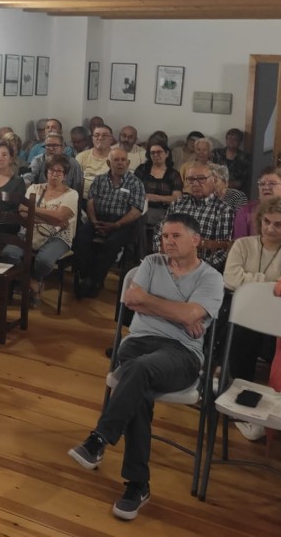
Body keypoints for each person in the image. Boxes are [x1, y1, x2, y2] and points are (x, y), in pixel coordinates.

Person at [67, 213, 223, 521]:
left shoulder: (211, 278)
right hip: (139, 343)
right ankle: (136, 485)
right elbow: (132, 299)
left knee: (137, 374)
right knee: (139, 383)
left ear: (196, 240)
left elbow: (187, 312)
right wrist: (178, 314)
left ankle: (101, 440)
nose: (168, 242)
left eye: (176, 236)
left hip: (183, 353)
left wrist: (150, 303)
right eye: (165, 236)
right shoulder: (151, 263)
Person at [223, 196, 281, 440]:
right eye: (267, 222)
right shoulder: (242, 244)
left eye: (278, 224)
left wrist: (249, 279)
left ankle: (262, 408)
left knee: (270, 344)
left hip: (276, 316)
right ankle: (241, 399)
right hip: (243, 310)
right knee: (239, 334)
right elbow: (229, 279)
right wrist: (268, 283)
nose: (270, 228)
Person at [4, 154, 78, 304]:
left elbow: (60, 217)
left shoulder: (71, 194)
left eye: (59, 171)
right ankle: (33, 283)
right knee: (8, 253)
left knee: (44, 260)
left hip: (58, 235)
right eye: (51, 170)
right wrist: (50, 217)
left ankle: (36, 279)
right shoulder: (34, 188)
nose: (55, 174)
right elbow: (23, 211)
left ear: (64, 175)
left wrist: (34, 210)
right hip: (29, 230)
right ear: (46, 172)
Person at [73, 148, 146, 299]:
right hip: (99, 219)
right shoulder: (99, 180)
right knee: (81, 236)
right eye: (116, 160)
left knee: (112, 243)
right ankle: (87, 277)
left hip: (125, 223)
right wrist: (94, 222)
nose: (120, 163)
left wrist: (116, 225)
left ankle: (97, 280)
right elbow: (91, 202)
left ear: (128, 162)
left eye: (122, 160)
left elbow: (136, 211)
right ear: (108, 162)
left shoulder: (135, 183)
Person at [156, 163, 235, 270]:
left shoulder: (224, 211)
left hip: (202, 271)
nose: (195, 183)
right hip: (169, 265)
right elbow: (158, 233)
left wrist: (194, 267)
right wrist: (166, 258)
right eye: (191, 179)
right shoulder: (177, 204)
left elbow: (222, 252)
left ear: (214, 180)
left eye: (201, 178)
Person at [134, 140, 182, 230]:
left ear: (167, 154)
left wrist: (155, 197)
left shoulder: (173, 174)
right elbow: (132, 189)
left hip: (162, 210)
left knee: (137, 218)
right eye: (153, 153)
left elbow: (177, 198)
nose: (156, 155)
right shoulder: (142, 169)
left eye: (159, 152)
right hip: (139, 206)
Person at [77, 124, 115, 194]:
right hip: (83, 199)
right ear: (92, 138)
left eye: (105, 135)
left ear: (111, 139)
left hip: (108, 199)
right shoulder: (81, 157)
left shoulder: (117, 158)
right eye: (96, 135)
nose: (100, 138)